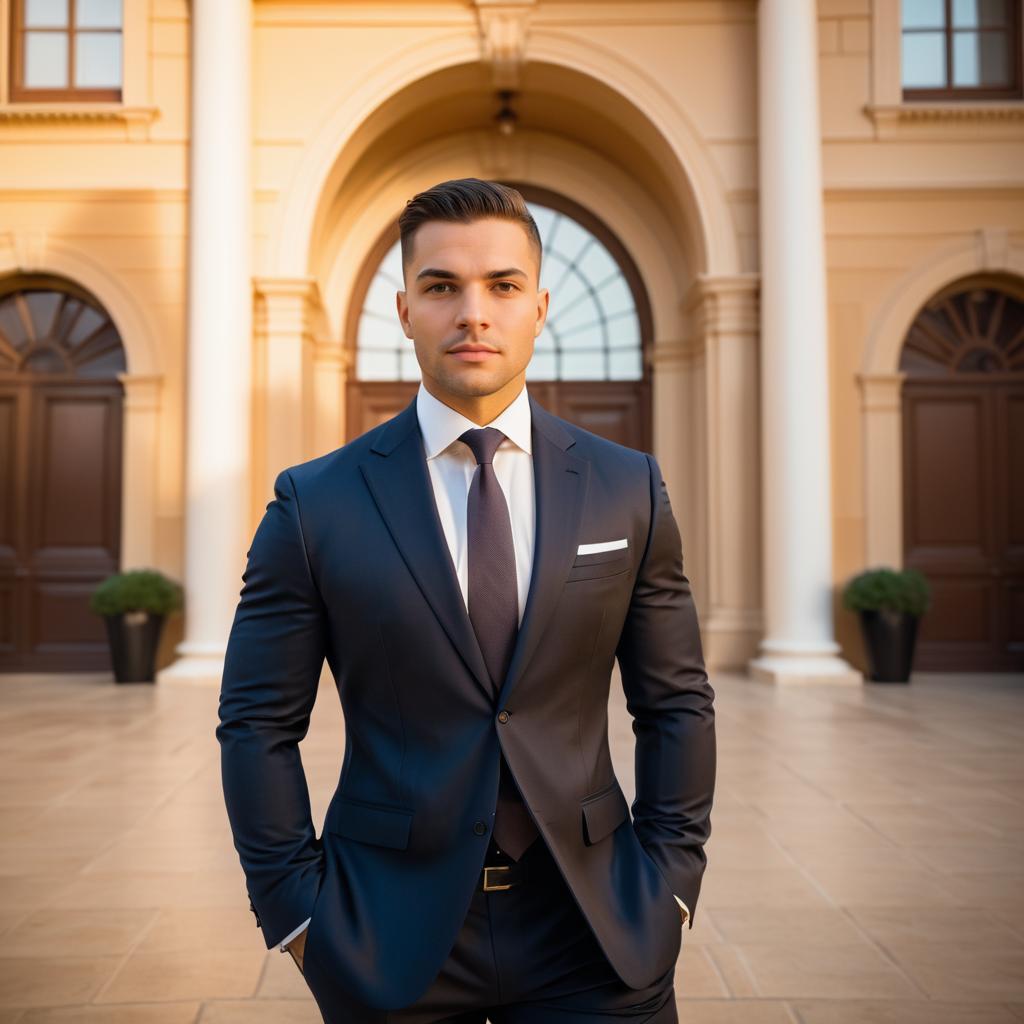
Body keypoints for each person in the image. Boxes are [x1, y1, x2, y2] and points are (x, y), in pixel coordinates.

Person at [216, 177, 716, 1024]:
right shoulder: (315, 504)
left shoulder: (627, 488)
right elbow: (257, 723)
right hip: (388, 936)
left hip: (596, 928)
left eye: (503, 286)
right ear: (405, 309)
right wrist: (298, 917)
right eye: (442, 286)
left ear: (540, 306)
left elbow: (676, 703)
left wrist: (669, 889)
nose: (473, 313)